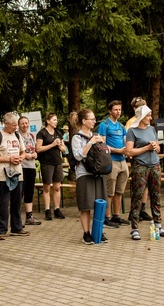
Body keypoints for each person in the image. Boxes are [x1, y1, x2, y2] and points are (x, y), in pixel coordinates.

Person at [125, 106, 164, 240]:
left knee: (156, 195)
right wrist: (146, 148)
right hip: (140, 166)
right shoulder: (132, 131)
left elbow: (158, 148)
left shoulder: (151, 129)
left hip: (154, 164)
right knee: (137, 196)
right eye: (148, 116)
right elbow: (129, 152)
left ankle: (158, 224)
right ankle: (134, 227)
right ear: (141, 117)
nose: (150, 118)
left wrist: (156, 147)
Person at [0, 112, 30, 240]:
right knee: (3, 202)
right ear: (5, 124)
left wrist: (20, 158)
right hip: (3, 175)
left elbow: (23, 152)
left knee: (17, 202)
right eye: (13, 125)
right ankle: (1, 230)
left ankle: (17, 228)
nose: (15, 127)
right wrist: (8, 159)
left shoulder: (17, 135)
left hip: (17, 173)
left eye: (16, 125)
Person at [71, 109, 108, 245]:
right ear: (84, 121)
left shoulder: (96, 135)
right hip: (84, 174)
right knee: (86, 206)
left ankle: (98, 231)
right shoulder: (77, 137)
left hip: (98, 173)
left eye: (94, 119)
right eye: (91, 119)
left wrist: (103, 144)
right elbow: (78, 155)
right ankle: (86, 233)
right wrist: (91, 142)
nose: (94, 121)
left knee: (100, 204)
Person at [97, 101, 130, 229]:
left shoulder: (121, 126)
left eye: (120, 109)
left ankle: (116, 215)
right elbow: (102, 145)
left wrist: (127, 150)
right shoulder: (104, 125)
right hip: (111, 161)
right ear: (110, 111)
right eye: (115, 109)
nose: (118, 112)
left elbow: (125, 141)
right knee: (109, 191)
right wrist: (117, 150)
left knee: (119, 190)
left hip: (123, 161)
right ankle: (107, 217)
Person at [36, 113, 67, 220]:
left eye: (56, 120)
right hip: (46, 163)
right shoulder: (42, 133)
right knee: (47, 188)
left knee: (57, 187)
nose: (56, 121)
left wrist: (59, 145)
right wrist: (52, 145)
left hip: (57, 162)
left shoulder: (58, 133)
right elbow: (38, 149)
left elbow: (64, 149)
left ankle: (57, 209)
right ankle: (47, 210)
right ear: (48, 121)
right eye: (54, 120)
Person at [18, 115, 41, 225]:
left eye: (26, 123)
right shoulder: (16, 136)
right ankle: (17, 217)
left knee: (29, 191)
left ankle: (29, 216)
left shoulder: (31, 135)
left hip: (31, 166)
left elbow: (34, 149)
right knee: (20, 191)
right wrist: (25, 155)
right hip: (21, 166)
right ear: (18, 125)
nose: (24, 125)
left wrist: (35, 154)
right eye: (22, 123)